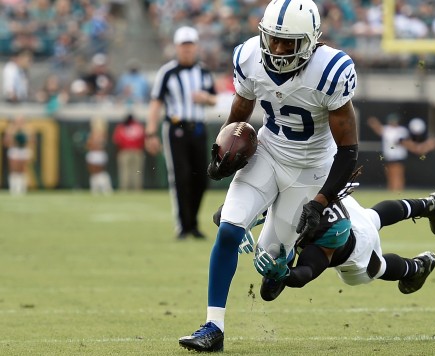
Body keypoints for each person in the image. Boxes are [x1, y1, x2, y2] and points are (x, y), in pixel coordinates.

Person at [178, 0, 359, 352]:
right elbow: (241, 110)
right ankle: (213, 326)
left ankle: (279, 251)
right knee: (229, 228)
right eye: (273, 39)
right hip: (268, 151)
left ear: (310, 41)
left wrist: (321, 202)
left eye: (287, 42)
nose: (277, 49)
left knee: (270, 265)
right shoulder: (248, 56)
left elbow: (349, 150)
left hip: (310, 169)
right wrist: (223, 152)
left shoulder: (331, 71)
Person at [219, 185, 435, 301]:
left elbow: (306, 272)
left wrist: (284, 274)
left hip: (355, 245)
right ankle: (430, 204)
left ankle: (418, 267)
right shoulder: (288, 195)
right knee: (372, 216)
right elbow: (225, 212)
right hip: (330, 200)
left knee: (371, 269)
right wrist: (235, 219)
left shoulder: (320, 243)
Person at [145, 26, 217, 239]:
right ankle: (183, 225)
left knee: (200, 179)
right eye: (183, 45)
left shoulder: (203, 71)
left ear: (196, 47)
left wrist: (206, 98)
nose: (187, 49)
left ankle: (193, 222)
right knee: (181, 176)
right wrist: (150, 132)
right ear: (177, 48)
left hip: (198, 128)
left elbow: (215, 99)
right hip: (176, 128)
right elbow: (156, 102)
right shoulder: (167, 72)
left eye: (190, 45)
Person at [367, 113, 410, 192]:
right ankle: (392, 188)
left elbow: (402, 141)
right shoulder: (386, 129)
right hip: (390, 155)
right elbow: (378, 129)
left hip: (398, 155)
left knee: (398, 173)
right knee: (390, 173)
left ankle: (399, 189)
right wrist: (373, 122)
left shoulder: (401, 130)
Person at [112, 113, 145, 191]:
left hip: (124, 151)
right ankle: (137, 190)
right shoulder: (139, 127)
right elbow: (144, 139)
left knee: (125, 172)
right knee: (137, 172)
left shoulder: (121, 127)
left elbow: (116, 140)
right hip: (137, 151)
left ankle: (124, 190)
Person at [3, 116, 32, 195]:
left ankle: (22, 188)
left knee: (23, 170)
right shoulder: (11, 130)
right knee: (14, 170)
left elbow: (31, 141)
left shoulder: (27, 130)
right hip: (15, 150)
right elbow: (6, 142)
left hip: (23, 150)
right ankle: (14, 188)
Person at [86, 117, 113, 195]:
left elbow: (100, 145)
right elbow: (89, 145)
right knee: (93, 172)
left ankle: (105, 187)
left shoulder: (103, 134)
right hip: (93, 154)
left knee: (100, 172)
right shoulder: (92, 134)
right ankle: (95, 188)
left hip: (99, 155)